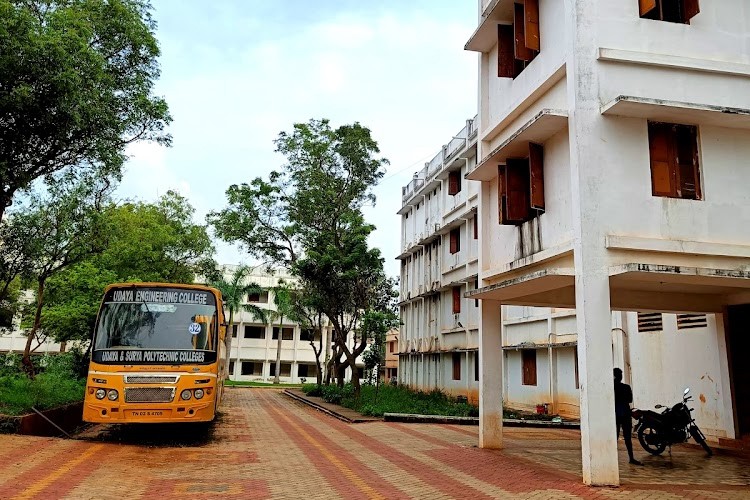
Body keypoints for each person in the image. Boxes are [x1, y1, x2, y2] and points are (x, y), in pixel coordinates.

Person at [614, 367, 642, 465]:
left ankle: (614, 458)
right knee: (627, 438)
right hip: (625, 413)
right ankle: (631, 458)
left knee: (615, 437)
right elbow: (630, 400)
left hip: (616, 413)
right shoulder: (626, 387)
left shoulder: (611, 387)